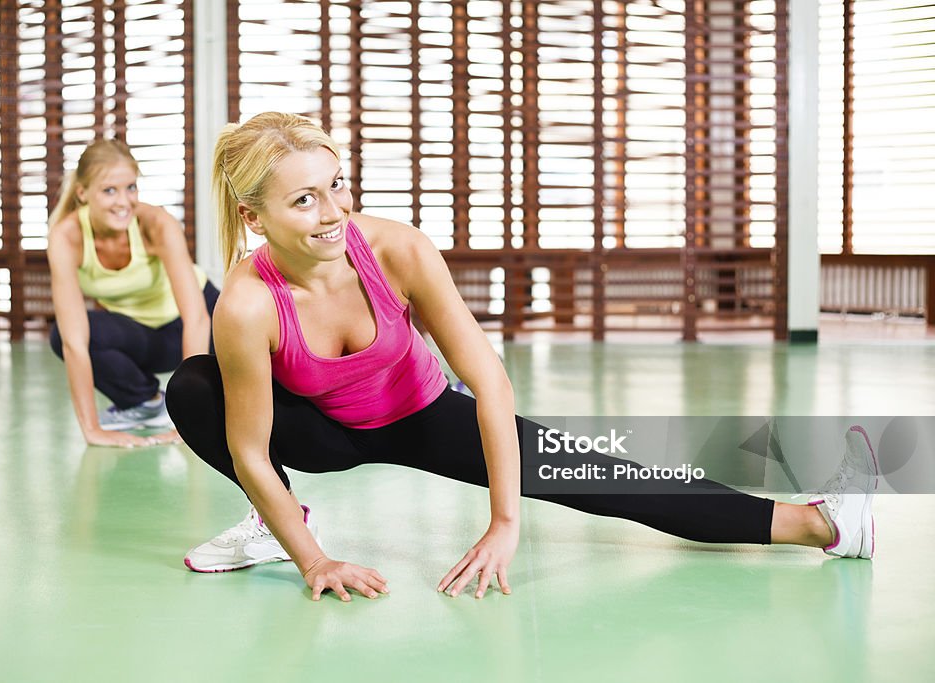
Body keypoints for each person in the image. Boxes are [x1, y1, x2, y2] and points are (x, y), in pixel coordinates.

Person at [165, 112, 878, 602]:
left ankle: (822, 522)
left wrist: (506, 521)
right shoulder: (249, 304)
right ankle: (276, 522)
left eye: (338, 184)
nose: (332, 212)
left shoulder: (396, 249)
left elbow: (487, 377)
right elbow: (252, 448)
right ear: (255, 217)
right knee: (195, 387)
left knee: (605, 474)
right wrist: (313, 559)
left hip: (421, 411)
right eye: (303, 199)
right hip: (318, 434)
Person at [47, 138, 219, 448]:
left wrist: (190, 418)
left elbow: (196, 318)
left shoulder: (156, 224)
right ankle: (146, 402)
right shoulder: (66, 237)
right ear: (83, 193)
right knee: (63, 334)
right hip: (144, 335)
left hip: (204, 323)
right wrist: (92, 430)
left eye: (131, 187)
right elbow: (74, 341)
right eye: (109, 190)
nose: (124, 201)